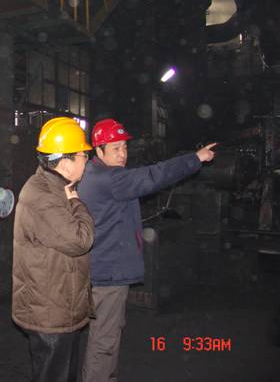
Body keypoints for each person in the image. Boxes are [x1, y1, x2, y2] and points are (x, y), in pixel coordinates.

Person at [78, 118, 216, 382]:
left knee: (102, 334)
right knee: (105, 340)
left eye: (124, 147)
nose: (122, 154)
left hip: (97, 266)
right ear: (99, 150)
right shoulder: (111, 179)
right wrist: (195, 158)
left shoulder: (90, 173)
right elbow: (154, 176)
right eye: (115, 148)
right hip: (109, 274)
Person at [12, 117, 95, 382]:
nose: (87, 161)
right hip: (50, 313)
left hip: (59, 306)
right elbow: (80, 240)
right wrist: (77, 203)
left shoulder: (54, 187)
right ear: (66, 162)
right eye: (83, 155)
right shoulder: (43, 196)